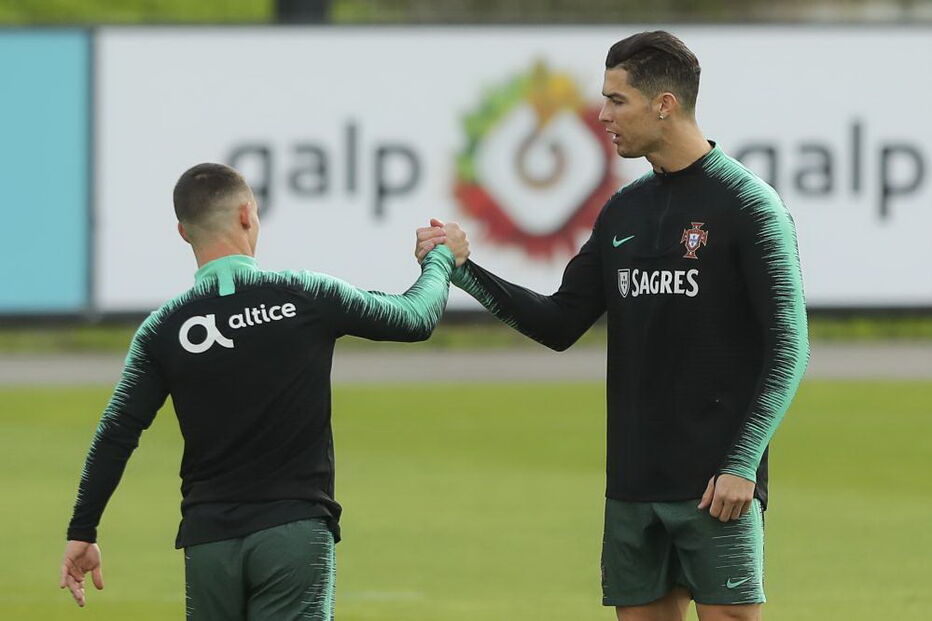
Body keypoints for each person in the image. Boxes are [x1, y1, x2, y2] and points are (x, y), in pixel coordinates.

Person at [418, 31, 809, 621]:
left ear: (664, 104)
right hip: (632, 484)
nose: (601, 116)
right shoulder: (624, 210)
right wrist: (464, 271)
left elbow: (790, 347)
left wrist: (742, 463)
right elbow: (559, 321)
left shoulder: (749, 205)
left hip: (718, 485)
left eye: (616, 100)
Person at [59, 162, 468, 620]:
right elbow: (414, 317)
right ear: (248, 215)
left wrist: (83, 529)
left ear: (182, 232)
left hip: (209, 541)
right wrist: (440, 259)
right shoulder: (306, 294)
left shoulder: (163, 329)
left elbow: (116, 431)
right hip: (294, 533)